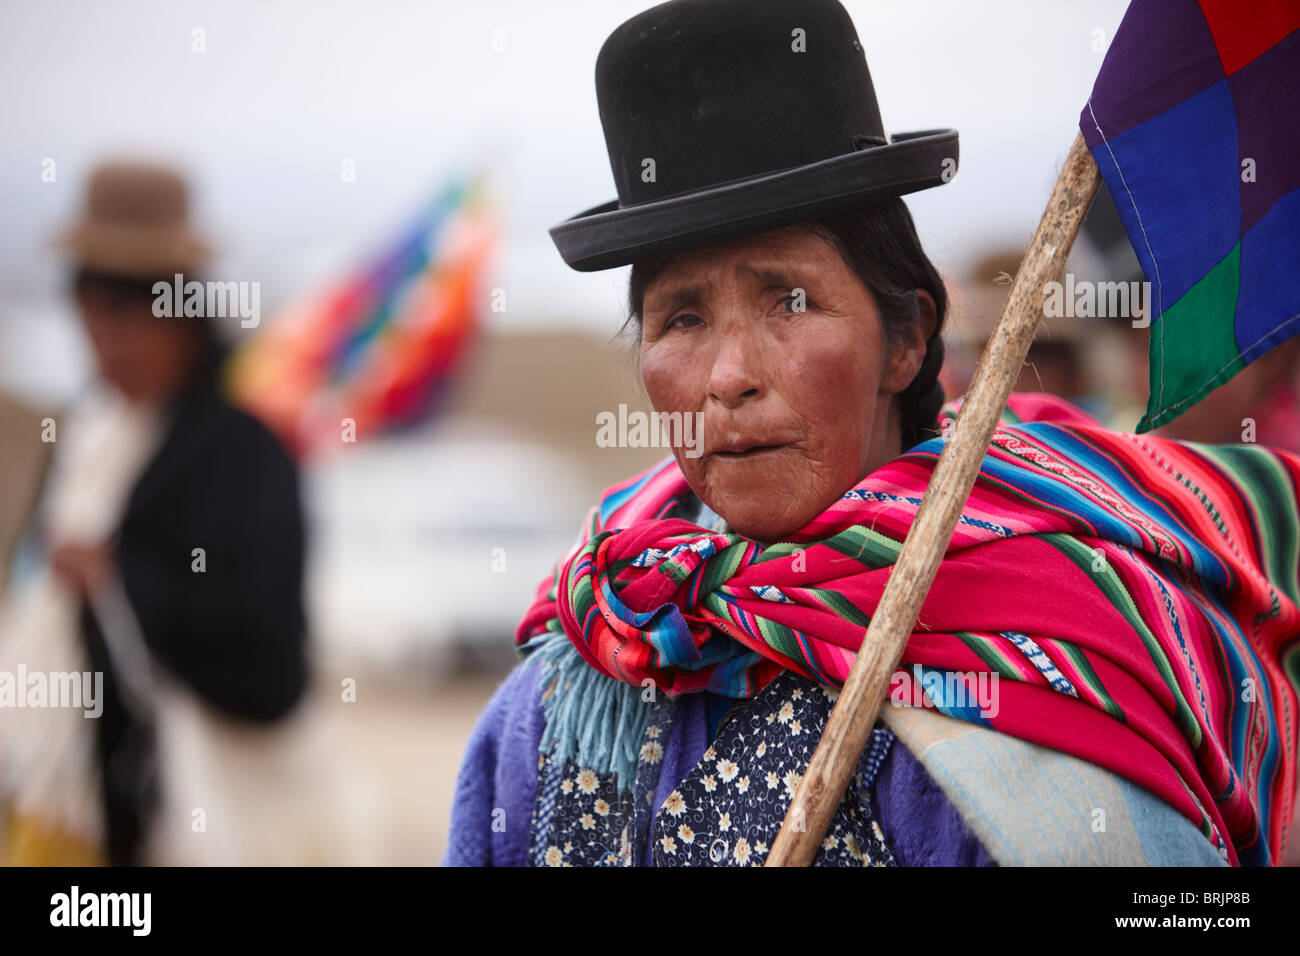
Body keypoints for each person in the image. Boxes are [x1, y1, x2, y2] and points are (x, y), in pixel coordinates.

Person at [444, 0, 1300, 867]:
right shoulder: (582, 670)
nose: (728, 376)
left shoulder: (1055, 650)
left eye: (791, 299)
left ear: (907, 338)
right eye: (683, 317)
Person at [0, 161, 308, 865]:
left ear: (181, 314)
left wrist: (119, 578)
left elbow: (269, 672)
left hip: (195, 822)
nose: (108, 344)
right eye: (91, 312)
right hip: (66, 800)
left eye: (128, 316)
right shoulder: (88, 435)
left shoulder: (241, 451)